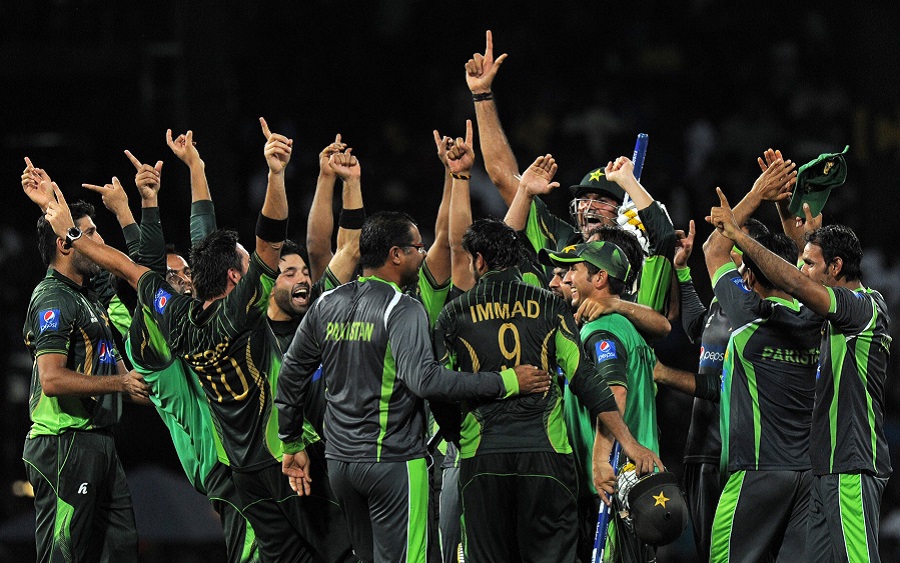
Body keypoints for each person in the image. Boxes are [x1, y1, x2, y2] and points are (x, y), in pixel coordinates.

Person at [34, 118, 354, 562]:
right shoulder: (216, 322)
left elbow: (138, 265)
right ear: (235, 278)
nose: (180, 278)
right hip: (262, 459)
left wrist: (186, 173)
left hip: (240, 467)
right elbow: (269, 238)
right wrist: (275, 174)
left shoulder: (178, 321)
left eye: (187, 273)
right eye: (174, 275)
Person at [275, 211, 553, 563]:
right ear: (395, 254)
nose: (423, 255)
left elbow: (291, 373)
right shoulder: (401, 308)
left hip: (341, 465)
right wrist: (507, 381)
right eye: (417, 248)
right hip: (392, 462)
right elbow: (425, 380)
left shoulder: (326, 303)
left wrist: (291, 441)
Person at [432, 218, 662, 562]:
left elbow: (438, 389)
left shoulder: (454, 314)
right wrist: (628, 442)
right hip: (546, 454)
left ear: (479, 260)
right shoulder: (550, 307)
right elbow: (586, 380)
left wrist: (457, 433)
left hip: (482, 455)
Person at [708, 191, 892, 562]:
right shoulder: (831, 316)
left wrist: (740, 237)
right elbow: (802, 281)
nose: (802, 269)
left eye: (809, 262)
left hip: (851, 465)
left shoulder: (862, 308)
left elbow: (795, 284)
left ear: (836, 267)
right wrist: (798, 232)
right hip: (823, 470)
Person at [466, 30, 676, 317]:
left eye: (601, 199)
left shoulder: (640, 250)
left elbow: (668, 316)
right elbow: (503, 175)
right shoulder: (560, 239)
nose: (589, 206)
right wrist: (482, 95)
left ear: (624, 208)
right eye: (584, 198)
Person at [21, 163, 148, 562]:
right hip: (63, 444)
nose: (97, 240)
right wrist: (121, 385)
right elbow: (53, 379)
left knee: (122, 551)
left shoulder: (93, 295)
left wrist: (53, 199)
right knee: (65, 556)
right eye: (89, 234)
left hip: (99, 440)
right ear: (65, 244)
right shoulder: (53, 298)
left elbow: (133, 282)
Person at [546, 240, 660, 562]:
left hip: (613, 484)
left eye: (573, 270)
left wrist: (599, 461)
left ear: (600, 279)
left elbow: (614, 393)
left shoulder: (601, 330)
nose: (566, 279)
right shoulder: (623, 325)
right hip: (632, 482)